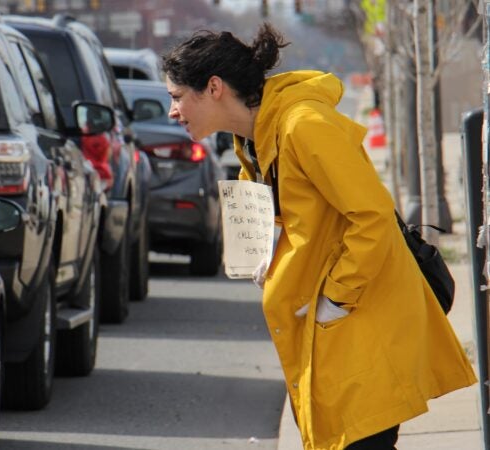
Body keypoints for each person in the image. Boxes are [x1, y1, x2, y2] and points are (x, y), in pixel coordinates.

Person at [161, 22, 477, 450]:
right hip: (334, 338)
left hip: (361, 325)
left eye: (177, 97)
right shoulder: (254, 140)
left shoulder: (302, 126)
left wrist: (338, 296)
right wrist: (269, 251)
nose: (172, 111)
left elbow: (372, 215)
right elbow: (303, 214)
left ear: (213, 87)